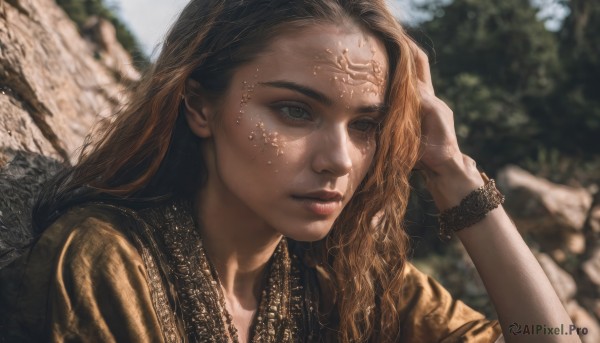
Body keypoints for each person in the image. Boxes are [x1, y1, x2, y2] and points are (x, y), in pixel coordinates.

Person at [0, 0, 578, 342]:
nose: (340, 159)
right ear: (200, 104)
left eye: (366, 125)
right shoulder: (105, 260)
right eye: (295, 111)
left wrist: (451, 169)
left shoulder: (344, 278)